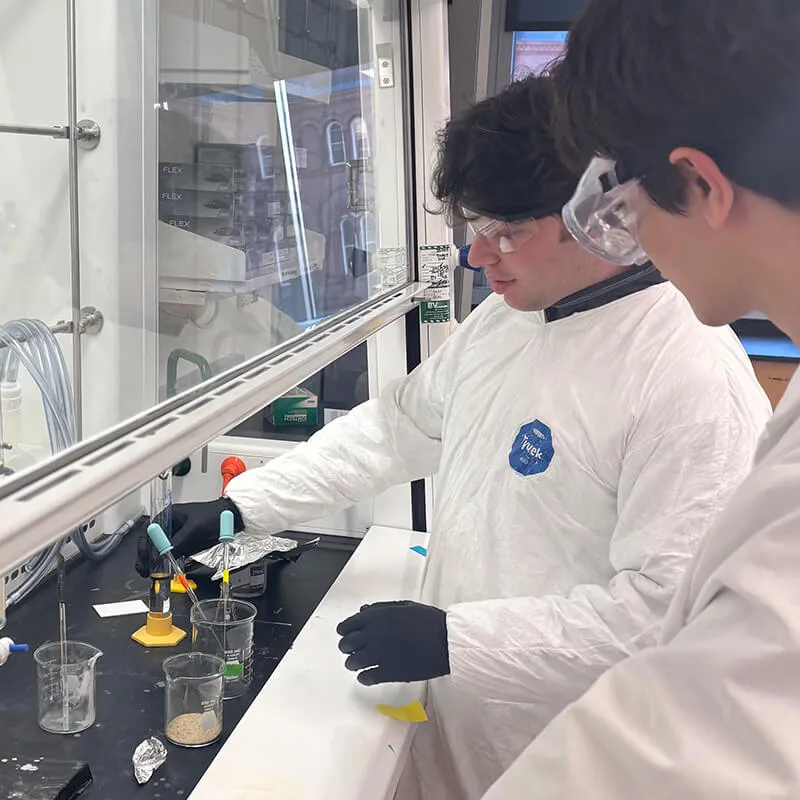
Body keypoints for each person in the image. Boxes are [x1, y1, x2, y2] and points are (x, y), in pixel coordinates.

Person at [136, 76, 771, 799]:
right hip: (456, 721)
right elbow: (397, 426)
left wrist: (456, 639)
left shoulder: (687, 376)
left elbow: (667, 615)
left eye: (508, 234)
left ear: (599, 213)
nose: (479, 258)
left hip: (573, 752)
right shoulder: (512, 320)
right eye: (475, 230)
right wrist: (243, 508)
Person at [483, 2, 800, 798]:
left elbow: (698, 752)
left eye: (624, 206)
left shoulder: (692, 370)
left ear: (698, 182)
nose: (631, 240)